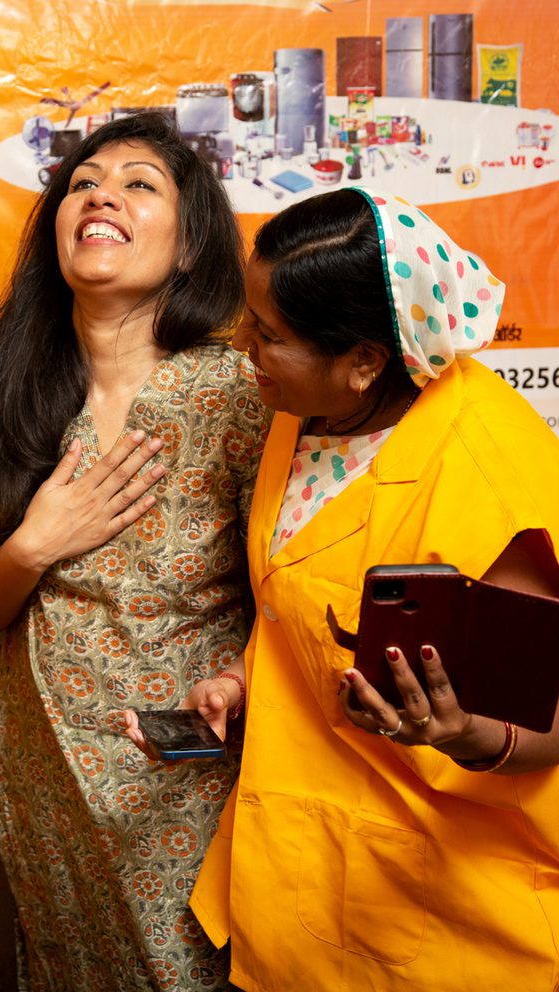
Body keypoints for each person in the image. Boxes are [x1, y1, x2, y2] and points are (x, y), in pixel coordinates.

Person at [137, 187, 559, 990]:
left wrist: (461, 732)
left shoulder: (490, 474)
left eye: (267, 335)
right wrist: (242, 681)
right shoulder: (309, 413)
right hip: (301, 888)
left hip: (448, 917)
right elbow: (305, 592)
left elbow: (551, 717)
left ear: (364, 360)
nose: (241, 347)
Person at [0, 113, 271, 991]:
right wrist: (33, 548)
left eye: (138, 183)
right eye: (83, 182)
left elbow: (289, 597)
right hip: (47, 785)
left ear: (192, 244)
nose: (101, 195)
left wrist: (234, 685)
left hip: (199, 782)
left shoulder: (239, 392)